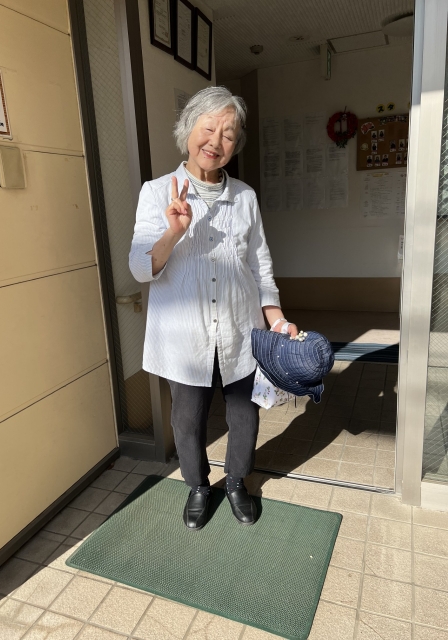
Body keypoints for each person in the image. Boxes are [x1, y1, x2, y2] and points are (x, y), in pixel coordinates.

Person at [129, 86, 298, 530]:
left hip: (241, 330)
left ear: (235, 143)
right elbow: (140, 269)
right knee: (186, 421)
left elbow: (260, 264)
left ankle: (238, 481)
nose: (216, 141)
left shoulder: (244, 197)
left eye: (228, 134)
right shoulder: (156, 193)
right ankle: (199, 486)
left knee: (245, 415)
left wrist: (276, 318)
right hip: (185, 338)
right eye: (208, 129)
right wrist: (173, 232)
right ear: (188, 130)